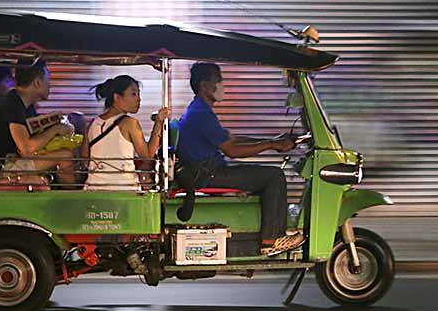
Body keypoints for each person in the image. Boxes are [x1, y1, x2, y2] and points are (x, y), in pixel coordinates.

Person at [176, 62, 303, 256]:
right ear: (204, 85)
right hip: (209, 175)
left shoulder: (200, 109)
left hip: (209, 170)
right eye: (218, 80)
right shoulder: (201, 114)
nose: (222, 85)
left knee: (266, 175)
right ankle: (272, 239)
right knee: (274, 176)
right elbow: (232, 150)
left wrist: (272, 140)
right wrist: (270, 145)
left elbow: (231, 138)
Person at [0, 60, 77, 185]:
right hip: (2, 167)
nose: (50, 85)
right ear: (37, 83)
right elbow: (26, 148)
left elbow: (34, 135)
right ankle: (72, 195)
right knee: (65, 156)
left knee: (65, 150)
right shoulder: (11, 105)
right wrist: (55, 129)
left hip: (14, 160)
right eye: (47, 80)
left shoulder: (24, 104)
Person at [83, 75, 169, 191]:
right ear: (117, 97)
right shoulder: (130, 124)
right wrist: (158, 122)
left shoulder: (92, 124)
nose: (139, 99)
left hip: (93, 188)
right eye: (133, 94)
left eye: (138, 94)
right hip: (124, 188)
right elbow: (147, 156)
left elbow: (85, 159)